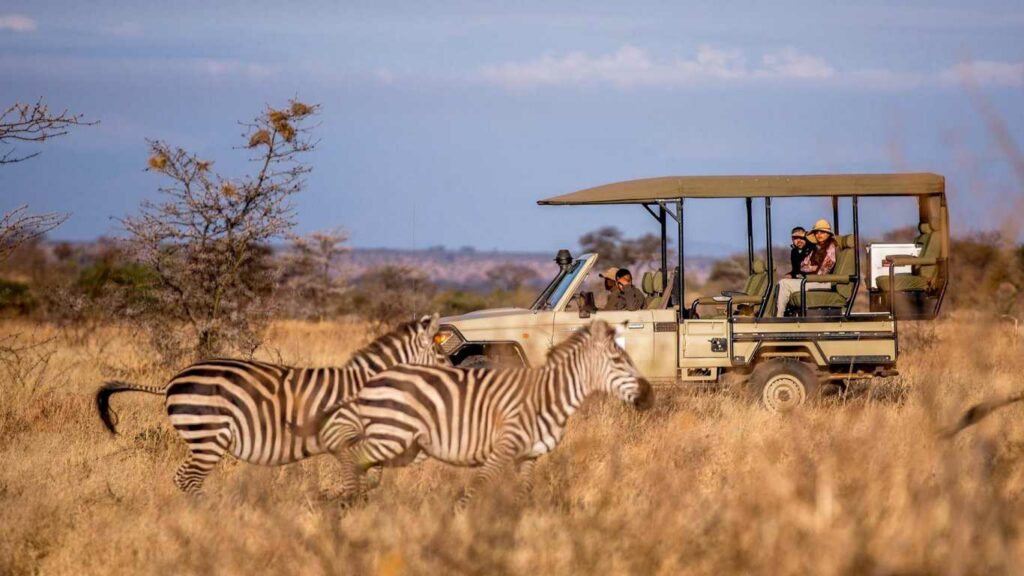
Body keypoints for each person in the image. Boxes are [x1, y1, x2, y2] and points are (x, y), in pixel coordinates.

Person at [775, 219, 837, 317]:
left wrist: (811, 270)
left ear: (828, 234)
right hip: (814, 280)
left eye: (822, 232)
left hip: (823, 281)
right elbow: (803, 266)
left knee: (784, 284)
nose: (819, 234)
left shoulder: (830, 248)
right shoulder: (817, 247)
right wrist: (811, 268)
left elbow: (823, 271)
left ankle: (778, 318)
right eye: (817, 232)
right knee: (781, 282)